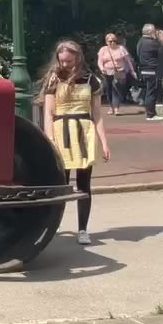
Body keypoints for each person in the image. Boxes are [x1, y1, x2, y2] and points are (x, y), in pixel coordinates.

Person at [39, 39, 111, 245]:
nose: (65, 65)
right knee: (60, 184)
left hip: (84, 132)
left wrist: (104, 142)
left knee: (83, 184)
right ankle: (53, 227)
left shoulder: (92, 81)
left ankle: (82, 229)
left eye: (69, 61)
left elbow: (97, 116)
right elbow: (48, 113)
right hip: (61, 132)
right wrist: (50, 139)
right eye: (62, 61)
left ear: (77, 58)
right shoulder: (54, 79)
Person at [97, 33, 132, 115]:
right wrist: (102, 69)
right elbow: (99, 61)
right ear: (106, 42)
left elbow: (128, 61)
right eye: (110, 41)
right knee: (108, 89)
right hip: (107, 72)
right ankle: (111, 107)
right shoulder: (103, 49)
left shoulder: (121, 48)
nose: (112, 42)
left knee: (117, 89)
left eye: (114, 41)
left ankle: (116, 108)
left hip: (119, 71)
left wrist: (132, 70)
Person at [135, 24, 162, 121]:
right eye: (154, 31)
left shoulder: (140, 41)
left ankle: (150, 112)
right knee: (151, 92)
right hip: (152, 70)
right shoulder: (152, 42)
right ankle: (151, 114)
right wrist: (159, 39)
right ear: (150, 32)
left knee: (147, 91)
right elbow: (162, 51)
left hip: (144, 69)